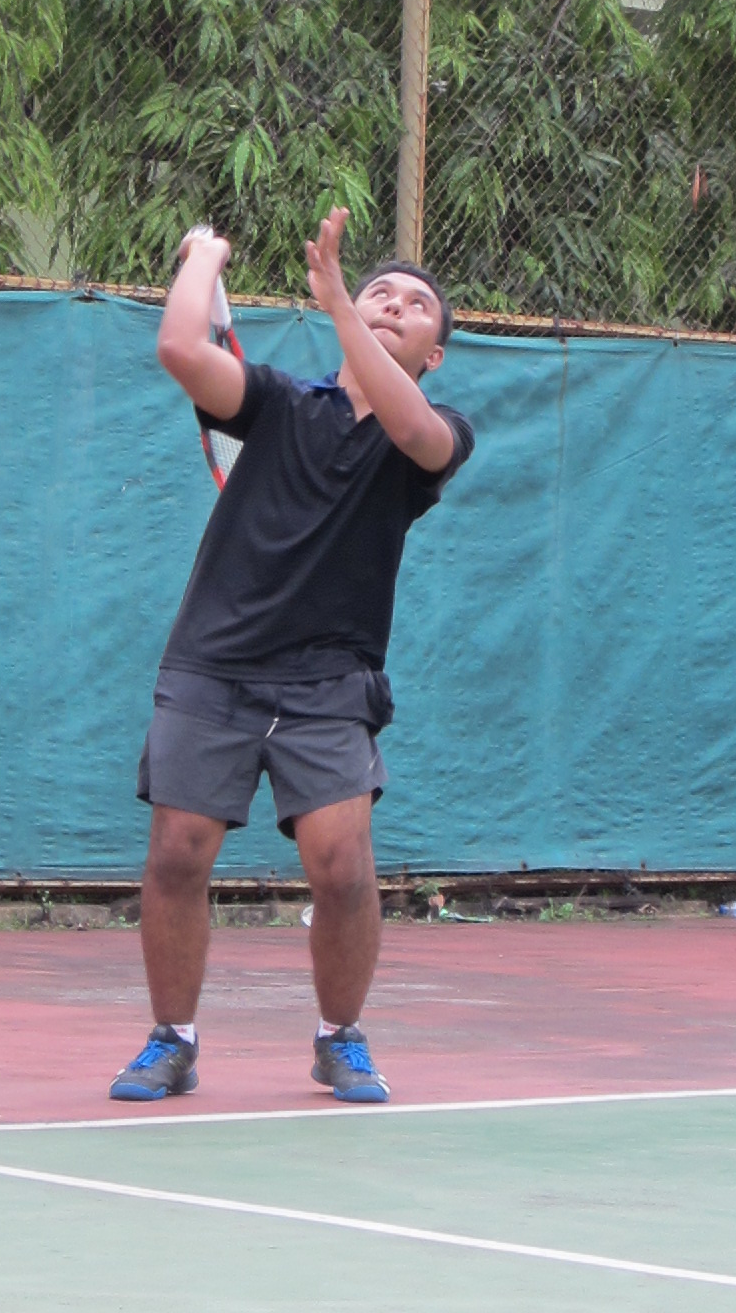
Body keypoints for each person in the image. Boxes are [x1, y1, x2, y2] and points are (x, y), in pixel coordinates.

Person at [108, 206, 474, 1105]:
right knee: (177, 857)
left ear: (434, 354)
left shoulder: (434, 432)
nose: (393, 304)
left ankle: (340, 1038)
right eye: (381, 293)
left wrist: (342, 302)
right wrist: (204, 256)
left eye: (414, 305)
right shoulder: (275, 402)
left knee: (343, 868)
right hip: (213, 665)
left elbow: (415, 433)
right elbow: (181, 348)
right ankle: (172, 1040)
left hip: (330, 681)